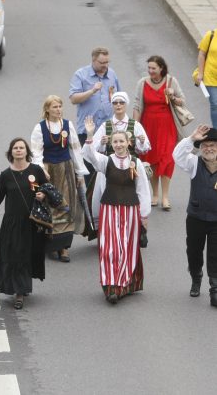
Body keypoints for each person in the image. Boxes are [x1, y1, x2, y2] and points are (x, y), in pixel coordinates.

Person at [82, 116, 150, 304]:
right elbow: (89, 155)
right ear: (111, 143)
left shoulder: (135, 162)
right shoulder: (106, 161)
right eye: (115, 141)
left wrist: (144, 214)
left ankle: (124, 284)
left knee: (127, 248)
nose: (119, 144)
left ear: (128, 143)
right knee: (110, 248)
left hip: (130, 210)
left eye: (122, 141)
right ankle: (111, 285)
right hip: (110, 210)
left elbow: (142, 188)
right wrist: (89, 134)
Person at [0, 138, 47, 309]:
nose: (19, 150)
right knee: (14, 255)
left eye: (21, 147)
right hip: (12, 222)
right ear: (11, 152)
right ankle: (19, 290)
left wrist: (42, 194)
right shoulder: (6, 175)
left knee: (25, 255)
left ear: (27, 151)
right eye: (15, 148)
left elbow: (48, 188)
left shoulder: (36, 170)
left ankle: (21, 290)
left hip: (32, 221)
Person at [31, 95, 88, 262]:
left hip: (65, 169)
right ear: (47, 109)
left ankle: (63, 248)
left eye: (60, 106)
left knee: (65, 205)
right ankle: (50, 242)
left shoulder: (67, 125)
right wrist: (42, 170)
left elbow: (76, 150)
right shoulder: (39, 128)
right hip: (48, 170)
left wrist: (79, 173)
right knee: (49, 206)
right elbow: (36, 153)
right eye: (55, 107)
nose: (58, 110)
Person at [133, 56, 186, 211]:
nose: (150, 71)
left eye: (153, 68)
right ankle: (155, 194)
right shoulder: (142, 83)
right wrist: (135, 127)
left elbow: (182, 100)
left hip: (167, 125)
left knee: (167, 158)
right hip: (148, 125)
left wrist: (173, 96)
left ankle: (165, 196)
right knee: (151, 158)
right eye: (149, 68)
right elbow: (137, 104)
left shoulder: (171, 81)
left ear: (161, 68)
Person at [89, 91, 150, 226]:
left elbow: (145, 148)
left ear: (126, 104)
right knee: (108, 195)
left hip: (131, 168)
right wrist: (102, 143)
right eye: (115, 103)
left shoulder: (135, 125)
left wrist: (141, 141)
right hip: (110, 169)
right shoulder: (106, 125)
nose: (118, 105)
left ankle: (133, 225)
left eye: (121, 102)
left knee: (134, 194)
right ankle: (108, 227)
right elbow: (92, 149)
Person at [173, 125, 217, 307]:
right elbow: (177, 156)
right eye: (205, 145)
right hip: (196, 218)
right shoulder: (193, 163)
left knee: (215, 255)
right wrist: (191, 139)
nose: (209, 148)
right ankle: (196, 278)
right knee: (193, 252)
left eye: (213, 145)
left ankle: (214, 289)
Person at [69, 46, 121, 150]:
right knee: (89, 164)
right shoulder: (81, 74)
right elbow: (73, 99)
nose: (105, 65)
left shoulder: (112, 74)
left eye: (107, 62)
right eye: (102, 63)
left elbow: (119, 98)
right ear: (93, 60)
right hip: (88, 131)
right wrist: (92, 91)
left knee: (109, 164)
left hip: (108, 131)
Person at [195, 29, 217, 128]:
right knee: (215, 104)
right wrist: (200, 73)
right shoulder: (211, 35)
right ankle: (216, 130)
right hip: (210, 77)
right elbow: (202, 54)